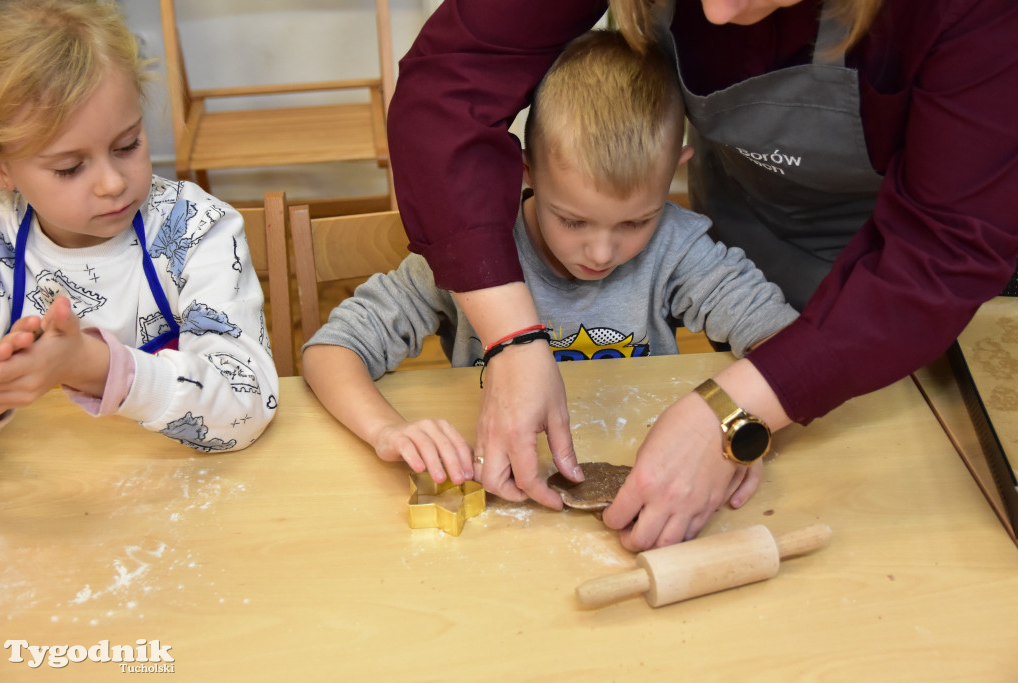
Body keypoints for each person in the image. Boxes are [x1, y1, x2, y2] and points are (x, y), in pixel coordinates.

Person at [386, 0, 1018, 551]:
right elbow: (447, 90)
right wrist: (512, 339)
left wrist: (738, 408)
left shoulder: (975, 16)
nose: (713, 12)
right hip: (755, 222)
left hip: (927, 293)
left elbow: (945, 249)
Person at [303, 29, 797, 487]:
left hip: (641, 471)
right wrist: (386, 430)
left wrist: (739, 427)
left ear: (675, 171)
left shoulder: (678, 247)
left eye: (635, 222)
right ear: (526, 171)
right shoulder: (470, 253)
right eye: (573, 221)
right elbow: (330, 353)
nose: (602, 252)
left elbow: (786, 343)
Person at [0, 0, 279, 450]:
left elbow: (247, 407)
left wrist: (97, 366)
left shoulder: (196, 228)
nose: (112, 184)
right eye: (69, 168)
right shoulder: (0, 238)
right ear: (1, 169)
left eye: (127, 145)